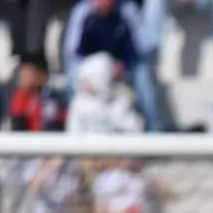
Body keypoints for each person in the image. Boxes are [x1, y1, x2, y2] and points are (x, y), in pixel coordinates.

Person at [63, 0, 165, 132]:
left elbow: (140, 47)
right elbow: (73, 51)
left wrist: (123, 64)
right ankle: (74, 134)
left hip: (122, 69)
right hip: (93, 69)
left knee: (142, 75)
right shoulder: (83, 11)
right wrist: (93, 71)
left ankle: (154, 131)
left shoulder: (127, 9)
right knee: (73, 74)